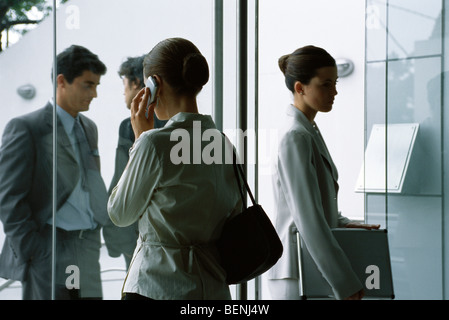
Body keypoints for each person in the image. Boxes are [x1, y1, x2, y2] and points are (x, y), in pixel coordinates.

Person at [107, 37, 243, 300]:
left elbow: (120, 213)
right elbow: (232, 214)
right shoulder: (224, 145)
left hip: (156, 286)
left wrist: (138, 142)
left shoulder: (153, 144)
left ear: (153, 84)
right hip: (212, 288)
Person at [268, 45, 380, 300]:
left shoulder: (307, 130)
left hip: (308, 267)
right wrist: (345, 281)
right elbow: (306, 217)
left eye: (335, 83)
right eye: (326, 84)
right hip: (296, 273)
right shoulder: (295, 135)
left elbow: (314, 207)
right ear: (300, 87)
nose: (335, 92)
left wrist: (343, 223)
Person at [0, 45, 110, 299]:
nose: (94, 94)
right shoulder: (26, 128)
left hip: (87, 247)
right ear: (62, 81)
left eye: (96, 86)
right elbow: (9, 199)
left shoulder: (89, 128)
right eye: (87, 85)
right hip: (50, 249)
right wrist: (36, 251)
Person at [102, 55, 167, 268]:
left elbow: (123, 181)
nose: (124, 92)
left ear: (137, 84)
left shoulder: (131, 126)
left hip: (138, 235)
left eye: (124, 84)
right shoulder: (173, 124)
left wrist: (113, 236)